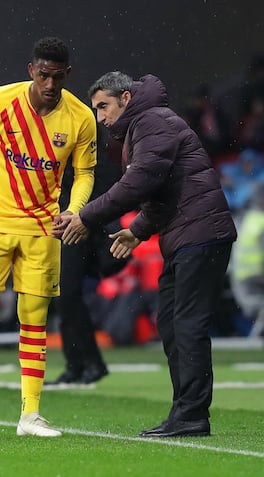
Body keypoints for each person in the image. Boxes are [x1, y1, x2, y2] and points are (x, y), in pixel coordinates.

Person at [55, 71, 237, 438]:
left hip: (200, 235)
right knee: (171, 323)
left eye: (103, 106)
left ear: (125, 98)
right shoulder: (147, 124)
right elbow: (159, 191)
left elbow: (141, 182)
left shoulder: (151, 121)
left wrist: (86, 216)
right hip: (191, 235)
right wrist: (137, 230)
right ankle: (185, 411)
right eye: (95, 109)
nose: (100, 117)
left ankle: (191, 414)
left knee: (186, 325)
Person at [0, 37, 97, 438]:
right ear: (30, 69)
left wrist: (74, 209)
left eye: (57, 76)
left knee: (34, 320)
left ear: (67, 74)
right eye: (43, 74)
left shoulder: (81, 118)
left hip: (43, 228)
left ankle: (29, 416)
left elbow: (84, 173)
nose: (50, 84)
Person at [47, 126, 127, 386]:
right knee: (64, 298)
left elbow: (106, 196)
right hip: (65, 231)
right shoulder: (76, 160)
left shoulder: (93, 162)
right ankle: (78, 364)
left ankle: (87, 363)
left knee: (67, 295)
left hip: (82, 233)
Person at [230, 182, 264, 337]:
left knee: (250, 307)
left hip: (242, 274)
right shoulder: (260, 221)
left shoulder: (245, 219)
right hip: (257, 273)